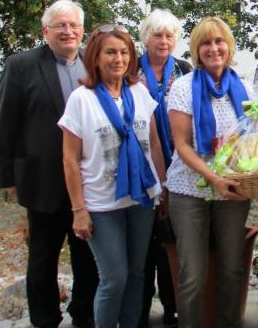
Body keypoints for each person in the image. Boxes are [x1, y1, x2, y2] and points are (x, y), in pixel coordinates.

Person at [0, 0, 99, 328]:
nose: (68, 31)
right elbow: (4, 123)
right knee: (42, 259)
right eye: (60, 25)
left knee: (88, 259)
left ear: (83, 30)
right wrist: (8, 177)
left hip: (87, 181)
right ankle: (45, 319)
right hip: (42, 180)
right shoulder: (21, 65)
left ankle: (83, 315)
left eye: (74, 25)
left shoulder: (92, 64)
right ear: (46, 31)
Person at [59, 24, 166, 328]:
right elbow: (69, 158)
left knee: (136, 274)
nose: (118, 58)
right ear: (95, 57)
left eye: (124, 52)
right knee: (114, 278)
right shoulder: (82, 99)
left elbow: (154, 143)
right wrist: (79, 210)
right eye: (110, 52)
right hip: (101, 204)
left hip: (142, 199)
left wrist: (162, 189)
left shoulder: (140, 92)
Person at [165, 17, 252, 328]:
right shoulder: (184, 87)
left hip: (234, 190)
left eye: (219, 41)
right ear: (196, 50)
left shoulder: (244, 86)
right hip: (189, 190)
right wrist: (214, 178)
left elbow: (255, 140)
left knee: (232, 269)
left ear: (229, 46)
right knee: (192, 275)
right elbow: (182, 145)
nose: (214, 48)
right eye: (206, 43)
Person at [136, 9, 192, 328]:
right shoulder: (131, 71)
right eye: (157, 35)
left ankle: (172, 305)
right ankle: (141, 306)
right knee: (144, 241)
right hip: (142, 163)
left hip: (178, 163)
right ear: (146, 38)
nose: (164, 40)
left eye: (169, 35)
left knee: (171, 238)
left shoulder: (184, 70)